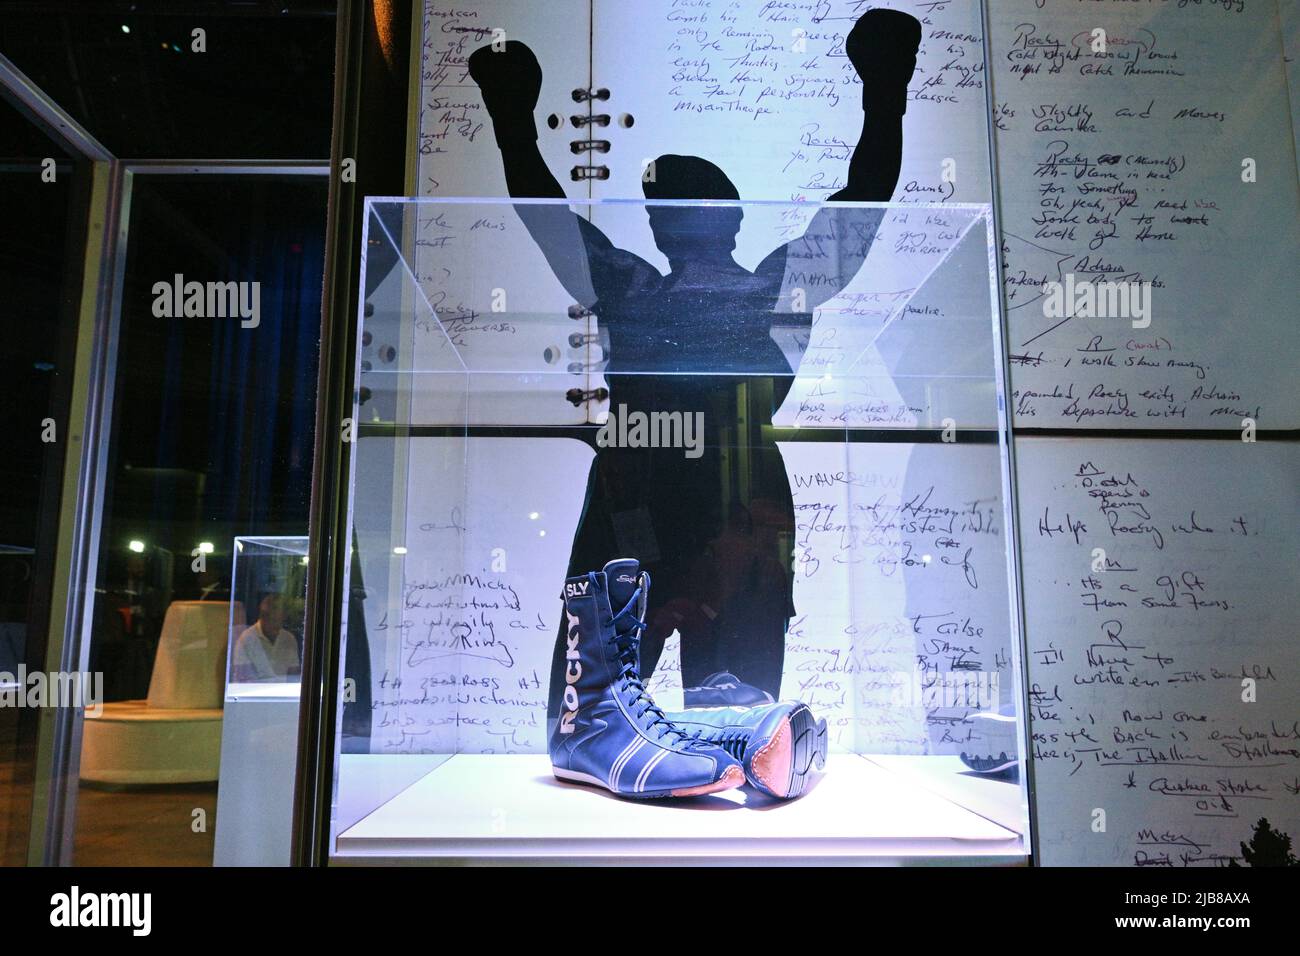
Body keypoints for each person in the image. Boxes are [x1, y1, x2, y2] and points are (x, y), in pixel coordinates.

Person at [467, 10, 921, 714]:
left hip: (690, 507)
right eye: (663, 208)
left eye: (670, 208)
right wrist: (884, 88)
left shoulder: (649, 289)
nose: (662, 219)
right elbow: (861, 203)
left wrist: (512, 116)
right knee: (659, 714)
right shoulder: (737, 286)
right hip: (674, 503)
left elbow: (545, 215)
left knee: (699, 716)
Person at [231, 593, 301, 682]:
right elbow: (243, 681)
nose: (278, 627)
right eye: (274, 620)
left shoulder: (289, 639)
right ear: (263, 616)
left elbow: (294, 676)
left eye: (281, 620)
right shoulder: (245, 640)